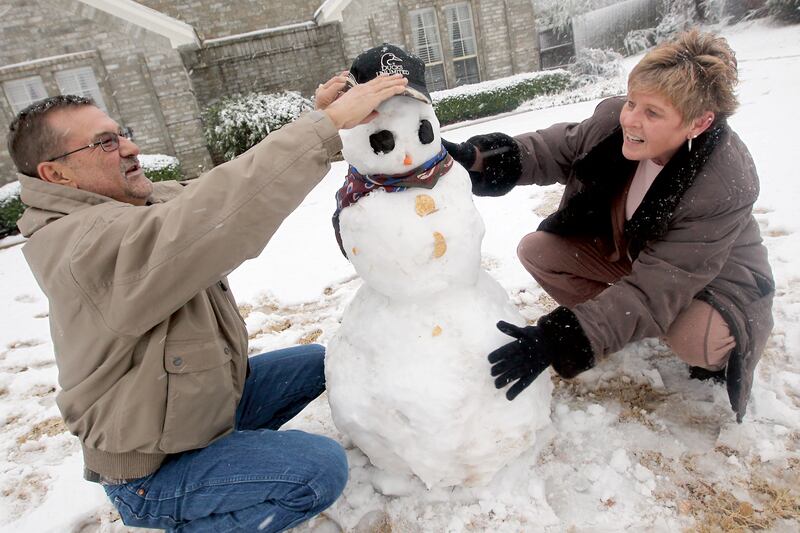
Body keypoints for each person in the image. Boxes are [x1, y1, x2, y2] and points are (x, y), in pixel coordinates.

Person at [8, 72, 408, 531]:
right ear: (56, 174)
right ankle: (188, 509)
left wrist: (315, 121)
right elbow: (214, 215)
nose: (129, 147)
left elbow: (225, 185)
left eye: (122, 134)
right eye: (103, 143)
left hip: (196, 414)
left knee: (322, 361)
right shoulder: (84, 245)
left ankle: (231, 460)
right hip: (152, 471)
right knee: (317, 470)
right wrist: (324, 125)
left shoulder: (129, 208)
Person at [443, 29, 774, 422]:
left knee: (692, 338)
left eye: (653, 113)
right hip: (639, 257)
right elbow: (557, 148)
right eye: (632, 102)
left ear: (698, 123)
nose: (631, 119)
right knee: (539, 251)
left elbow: (658, 287)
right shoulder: (614, 125)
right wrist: (481, 158)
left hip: (713, 281)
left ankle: (699, 346)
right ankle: (621, 323)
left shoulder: (721, 183)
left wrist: (560, 341)